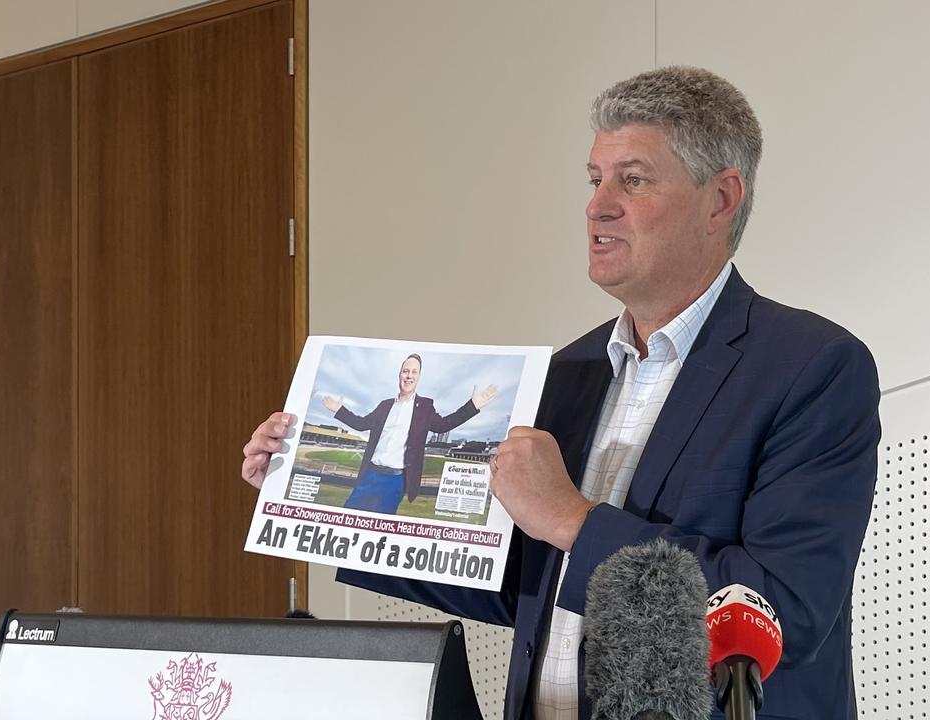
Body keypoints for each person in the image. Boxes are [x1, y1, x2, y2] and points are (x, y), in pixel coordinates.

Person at [242, 66, 880, 719]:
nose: (597, 205)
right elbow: (514, 580)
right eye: (594, 179)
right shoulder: (567, 373)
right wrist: (306, 496)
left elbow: (782, 610)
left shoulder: (812, 368)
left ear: (720, 200)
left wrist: (573, 519)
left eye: (632, 180)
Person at [316, 353, 497, 513]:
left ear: (418, 377)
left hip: (395, 481)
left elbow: (443, 425)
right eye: (405, 371)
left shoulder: (425, 406)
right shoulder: (385, 405)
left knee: (380, 532)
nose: (409, 375)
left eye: (414, 372)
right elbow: (362, 424)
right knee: (347, 519)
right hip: (370, 475)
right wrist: (339, 410)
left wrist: (473, 406)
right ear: (400, 374)